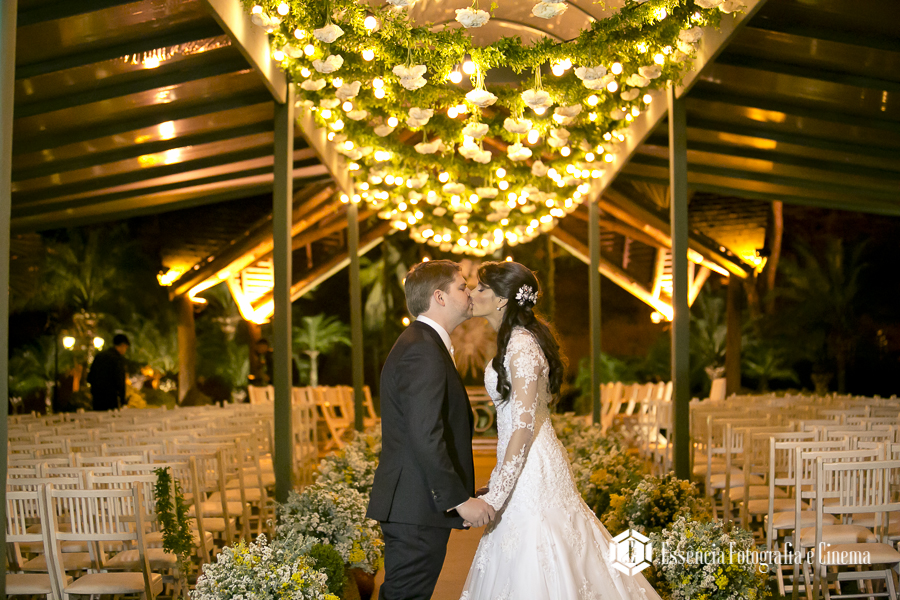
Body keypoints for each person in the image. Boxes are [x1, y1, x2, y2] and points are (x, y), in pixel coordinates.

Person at [459, 261, 650, 599]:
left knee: (541, 549)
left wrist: (496, 495)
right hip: (525, 460)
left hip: (534, 465)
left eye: (480, 288)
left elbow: (522, 426)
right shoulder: (515, 341)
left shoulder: (521, 346)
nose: (473, 294)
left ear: (502, 299)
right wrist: (499, 476)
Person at [367, 260, 495, 600]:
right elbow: (426, 433)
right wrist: (457, 500)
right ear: (439, 296)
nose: (469, 294)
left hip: (417, 505)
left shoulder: (424, 343)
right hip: (415, 506)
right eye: (461, 287)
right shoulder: (422, 349)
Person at [87, 333, 129, 411]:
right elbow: (120, 380)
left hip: (97, 398)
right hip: (111, 398)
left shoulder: (99, 356)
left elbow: (90, 377)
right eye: (126, 348)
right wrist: (123, 400)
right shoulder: (118, 359)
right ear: (123, 345)